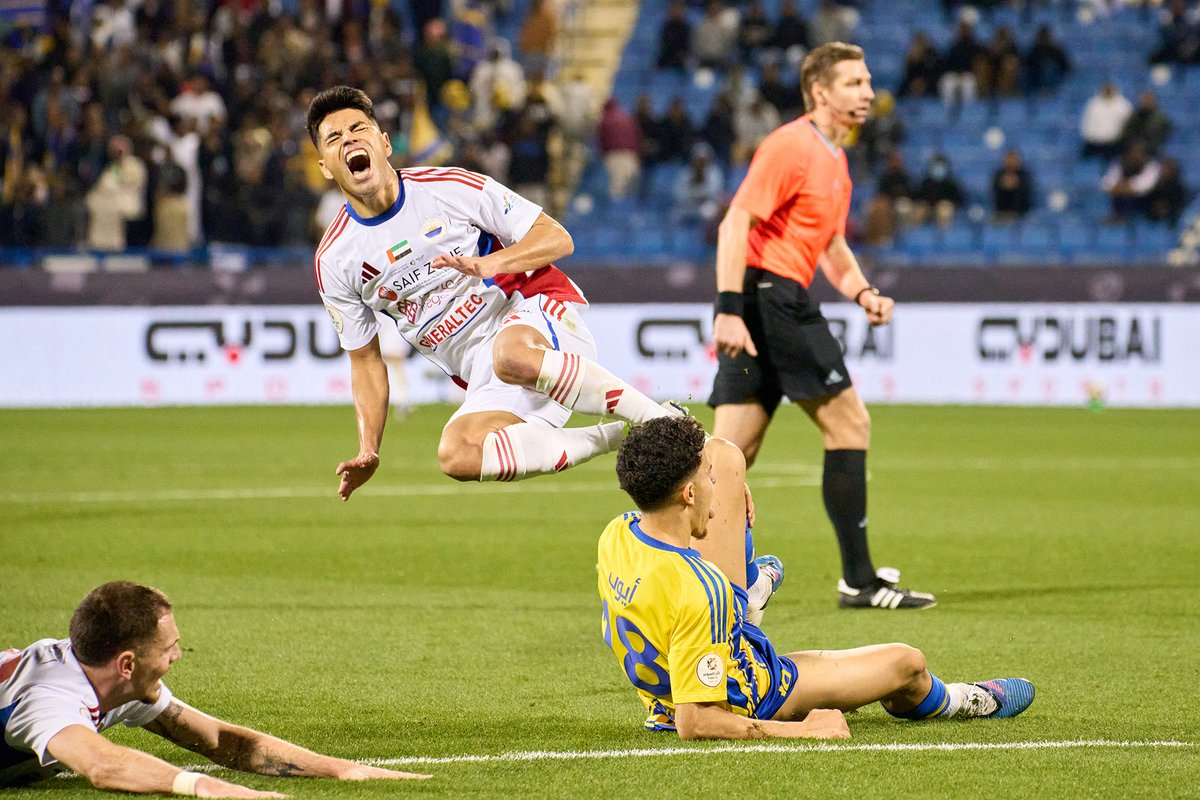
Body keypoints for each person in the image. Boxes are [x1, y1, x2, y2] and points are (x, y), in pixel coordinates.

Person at [308, 86, 680, 498]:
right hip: (490, 378)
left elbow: (556, 238)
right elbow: (365, 362)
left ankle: (662, 422)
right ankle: (614, 438)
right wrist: (369, 448)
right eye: (335, 138)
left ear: (384, 142)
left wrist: (490, 264)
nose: (350, 140)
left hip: (537, 317)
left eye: (358, 128)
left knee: (510, 355)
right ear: (325, 166)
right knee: (457, 454)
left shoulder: (447, 187)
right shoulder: (334, 258)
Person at [598, 416, 1036, 738]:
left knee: (727, 455)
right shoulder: (704, 591)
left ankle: (745, 602)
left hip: (679, 663)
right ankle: (958, 700)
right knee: (908, 662)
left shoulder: (618, 532)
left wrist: (720, 478)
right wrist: (807, 730)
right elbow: (697, 723)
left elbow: (697, 465)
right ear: (689, 492)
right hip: (749, 688)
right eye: (706, 481)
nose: (715, 494)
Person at [709, 42, 936, 610]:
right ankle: (859, 581)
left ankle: (697, 582)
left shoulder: (835, 160)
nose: (867, 92)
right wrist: (729, 306)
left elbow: (830, 243)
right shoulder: (791, 145)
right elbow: (737, 222)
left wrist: (861, 290)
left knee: (729, 452)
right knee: (849, 424)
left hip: (770, 296)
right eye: (854, 82)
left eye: (867, 81)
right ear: (820, 92)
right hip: (773, 297)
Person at [0, 581, 427, 793]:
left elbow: (222, 742)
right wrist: (204, 786)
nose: (177, 657)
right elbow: (103, 765)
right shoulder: (50, 698)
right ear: (127, 663)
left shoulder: (114, 681)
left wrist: (339, 768)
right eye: (169, 648)